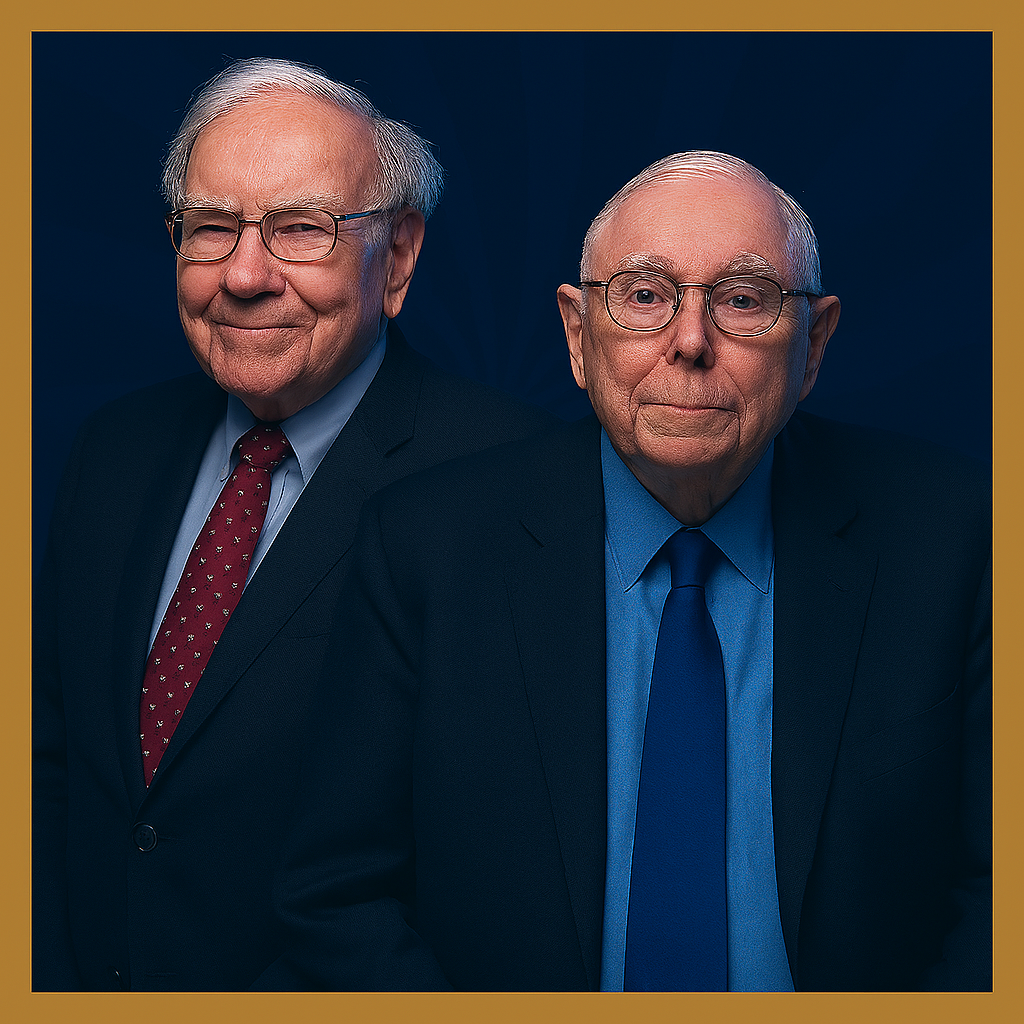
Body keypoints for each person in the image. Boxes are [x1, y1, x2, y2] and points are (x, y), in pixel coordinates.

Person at [259, 151, 991, 992]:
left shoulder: (956, 539)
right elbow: (337, 896)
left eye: (743, 301)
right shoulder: (427, 546)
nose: (689, 341)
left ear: (814, 344)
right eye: (644, 296)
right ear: (578, 335)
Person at [32, 56, 553, 992]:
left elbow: (498, 863)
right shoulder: (111, 451)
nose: (244, 274)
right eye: (212, 228)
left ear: (395, 259)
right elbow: (47, 760)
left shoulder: (512, 485)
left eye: (300, 230)